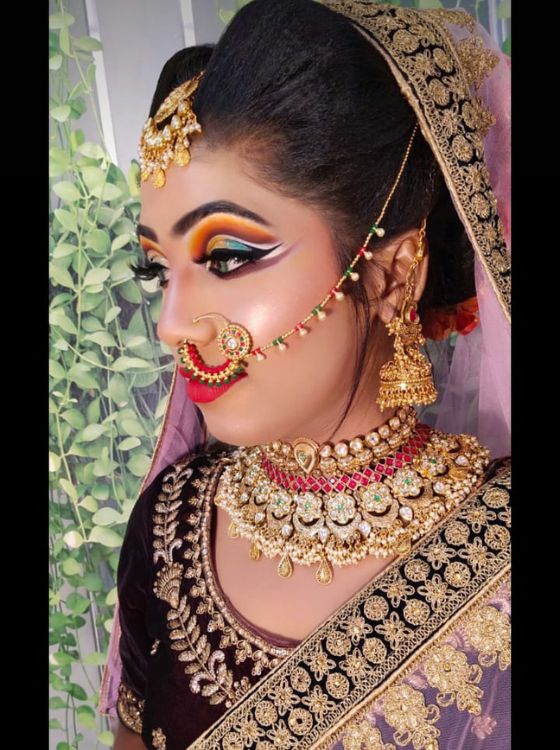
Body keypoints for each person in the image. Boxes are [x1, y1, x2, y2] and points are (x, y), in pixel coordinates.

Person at [99, 1, 511, 748]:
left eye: (227, 257)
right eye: (157, 268)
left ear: (392, 274)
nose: (171, 324)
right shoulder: (171, 523)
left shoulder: (497, 548)